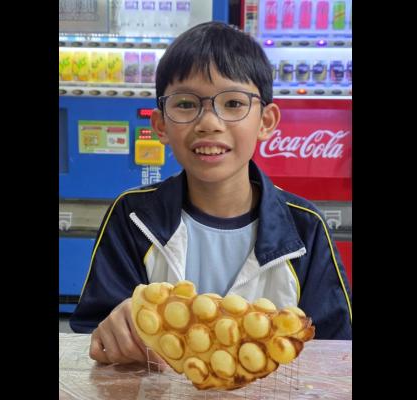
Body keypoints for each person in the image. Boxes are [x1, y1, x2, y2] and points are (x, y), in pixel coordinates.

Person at [70, 21, 352, 365]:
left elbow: (337, 351)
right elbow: (92, 334)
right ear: (160, 125)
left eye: (233, 103)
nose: (209, 123)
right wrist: (113, 329)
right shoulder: (132, 216)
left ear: (266, 122)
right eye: (186, 104)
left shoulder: (305, 228)